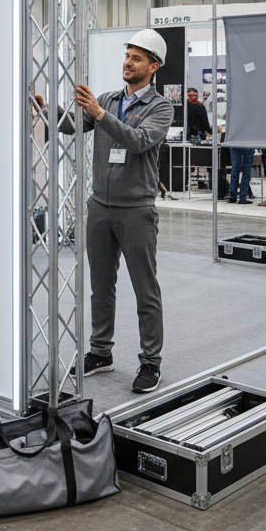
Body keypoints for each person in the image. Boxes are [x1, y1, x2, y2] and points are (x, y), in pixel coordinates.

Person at [53, 28, 173, 395]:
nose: (128, 62)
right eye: (127, 56)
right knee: (100, 287)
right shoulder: (108, 98)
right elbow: (72, 126)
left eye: (136, 58)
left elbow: (137, 141)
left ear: (153, 66)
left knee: (145, 290)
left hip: (136, 210)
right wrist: (47, 107)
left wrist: (101, 113)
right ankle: (100, 352)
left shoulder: (160, 107)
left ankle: (150, 363)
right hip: (100, 207)